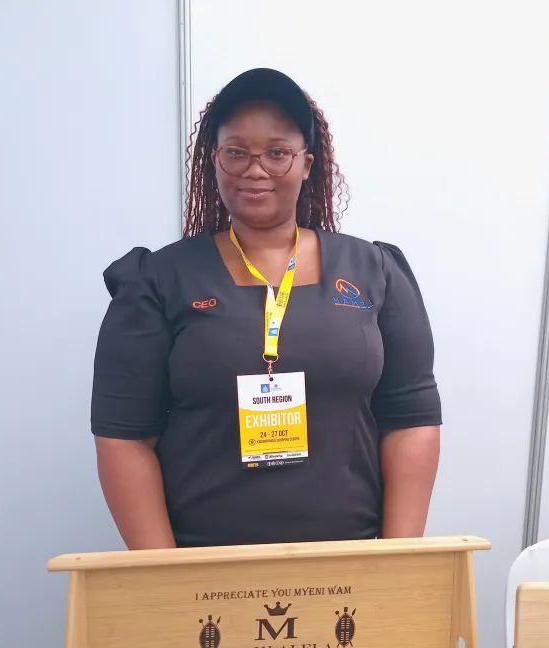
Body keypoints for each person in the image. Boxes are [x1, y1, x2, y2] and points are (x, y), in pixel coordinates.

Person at [91, 68, 441, 549]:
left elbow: (411, 420)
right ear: (214, 161)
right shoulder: (158, 281)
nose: (255, 170)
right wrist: (167, 576)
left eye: (277, 153)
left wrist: (397, 565)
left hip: (350, 566)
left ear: (306, 163)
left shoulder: (373, 271)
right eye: (236, 152)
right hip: (205, 569)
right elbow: (124, 437)